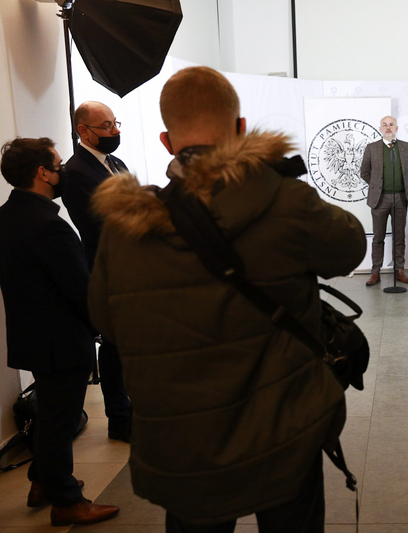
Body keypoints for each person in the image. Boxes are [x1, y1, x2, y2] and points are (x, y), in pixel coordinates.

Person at [88, 66, 366, 532]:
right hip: (284, 432)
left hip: (185, 445)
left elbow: (107, 322)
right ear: (239, 131)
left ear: (165, 141)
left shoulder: (124, 229)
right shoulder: (286, 201)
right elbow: (351, 247)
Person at [0, 137, 119, 526]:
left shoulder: (7, 216)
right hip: (62, 341)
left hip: (31, 338)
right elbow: (80, 289)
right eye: (57, 163)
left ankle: (40, 482)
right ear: (42, 173)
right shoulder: (50, 227)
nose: (62, 169)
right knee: (60, 422)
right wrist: (102, 327)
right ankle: (66, 500)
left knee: (53, 416)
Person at [63, 101, 131, 443]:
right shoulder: (76, 172)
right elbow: (98, 225)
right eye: (106, 126)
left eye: (115, 123)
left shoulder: (115, 162)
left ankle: (131, 410)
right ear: (83, 131)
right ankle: (119, 417)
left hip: (132, 266)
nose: (114, 131)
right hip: (106, 268)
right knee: (115, 345)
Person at [360, 115, 408, 286]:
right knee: (378, 237)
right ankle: (375, 272)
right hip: (379, 199)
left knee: (399, 237)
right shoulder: (371, 148)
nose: (388, 128)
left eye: (391, 125)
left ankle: (399, 270)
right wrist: (377, 185)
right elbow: (364, 172)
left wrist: (403, 184)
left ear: (396, 128)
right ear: (380, 128)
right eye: (384, 125)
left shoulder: (407, 148)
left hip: (401, 197)